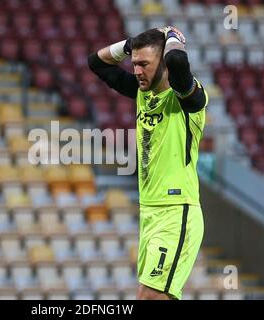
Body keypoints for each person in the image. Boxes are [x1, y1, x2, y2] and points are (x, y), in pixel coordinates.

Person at [87, 27, 209, 300]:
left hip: (176, 213)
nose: (137, 71)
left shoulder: (188, 99)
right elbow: (96, 62)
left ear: (163, 63)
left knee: (150, 297)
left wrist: (173, 36)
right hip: (150, 213)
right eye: (134, 64)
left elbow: (178, 63)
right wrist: (129, 44)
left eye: (144, 64)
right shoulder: (144, 92)